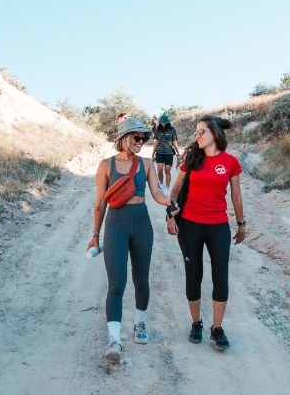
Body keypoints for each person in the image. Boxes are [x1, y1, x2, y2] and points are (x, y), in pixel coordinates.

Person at [86, 117, 179, 363]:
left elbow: (157, 193)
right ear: (124, 138)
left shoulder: (147, 163)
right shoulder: (106, 165)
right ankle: (114, 340)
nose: (141, 142)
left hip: (141, 223)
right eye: (136, 137)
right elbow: (99, 204)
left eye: (144, 138)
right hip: (115, 224)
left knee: (141, 278)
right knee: (116, 284)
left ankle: (140, 325)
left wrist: (168, 202)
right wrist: (95, 236)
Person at [167, 115, 246, 351]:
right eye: (196, 132)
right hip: (189, 225)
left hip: (218, 226)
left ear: (215, 134)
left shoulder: (230, 162)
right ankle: (196, 323)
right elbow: (175, 191)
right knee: (194, 274)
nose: (197, 136)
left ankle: (217, 328)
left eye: (202, 132)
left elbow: (236, 196)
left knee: (220, 276)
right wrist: (170, 215)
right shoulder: (191, 159)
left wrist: (241, 224)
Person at [151, 114, 180, 197]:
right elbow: (156, 142)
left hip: (168, 153)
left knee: (167, 170)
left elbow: (174, 142)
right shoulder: (157, 129)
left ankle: (167, 189)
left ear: (168, 122)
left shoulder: (172, 130)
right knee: (159, 169)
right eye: (161, 123)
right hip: (159, 152)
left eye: (164, 123)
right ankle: (161, 184)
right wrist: (153, 153)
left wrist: (178, 153)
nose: (163, 124)